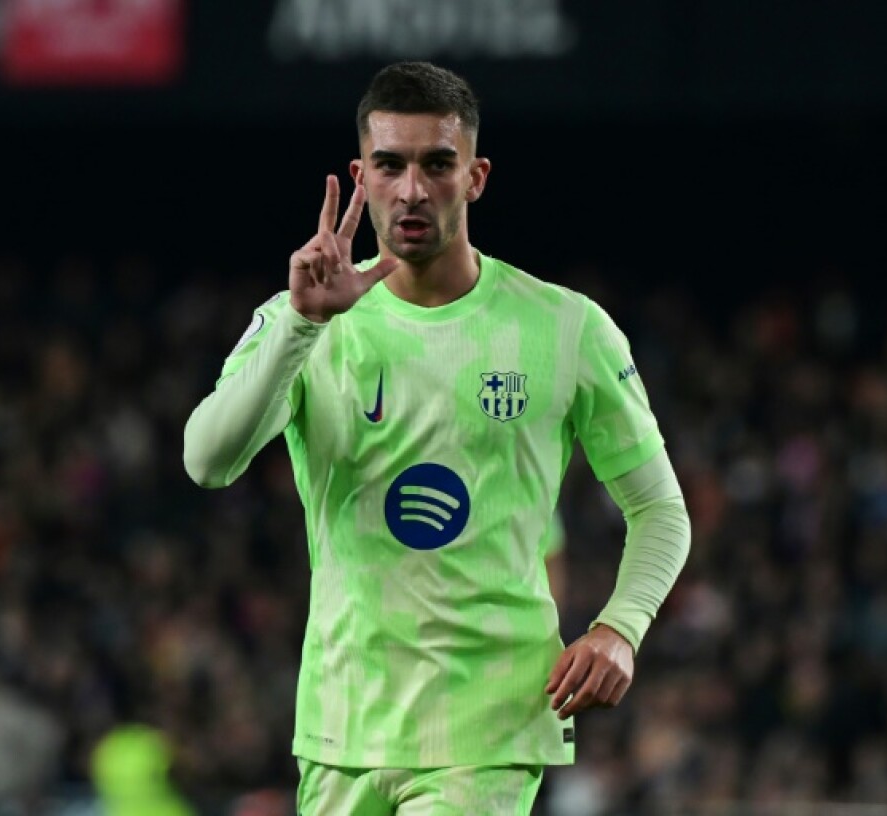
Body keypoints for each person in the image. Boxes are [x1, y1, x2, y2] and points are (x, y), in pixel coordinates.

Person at [183, 61, 691, 815]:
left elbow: (661, 510)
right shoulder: (305, 316)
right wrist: (302, 324)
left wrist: (621, 627)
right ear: (361, 176)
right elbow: (207, 461)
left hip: (487, 729)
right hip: (343, 724)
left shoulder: (566, 327)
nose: (412, 189)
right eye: (390, 165)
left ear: (476, 176)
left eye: (437, 164)